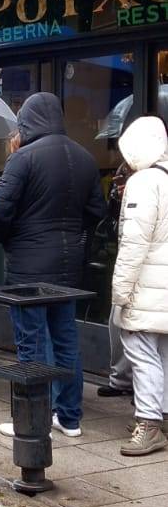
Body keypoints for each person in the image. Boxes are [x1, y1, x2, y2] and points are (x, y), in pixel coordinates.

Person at [0, 91, 105, 437]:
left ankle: (34, 418)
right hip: (67, 265)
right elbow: (95, 211)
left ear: (28, 121)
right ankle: (69, 418)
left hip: (28, 265)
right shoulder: (83, 157)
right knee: (67, 340)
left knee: (31, 342)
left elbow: (1, 210)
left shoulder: (23, 158)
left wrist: (7, 233)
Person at [110, 116, 168, 457]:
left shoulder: (144, 182)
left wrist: (120, 293)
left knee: (141, 350)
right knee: (161, 352)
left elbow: (133, 243)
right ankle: (160, 417)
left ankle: (148, 424)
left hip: (147, 284)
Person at [98, 161, 135, 400]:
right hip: (124, 260)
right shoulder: (124, 175)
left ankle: (149, 394)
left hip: (144, 266)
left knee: (146, 334)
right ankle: (121, 379)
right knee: (117, 320)